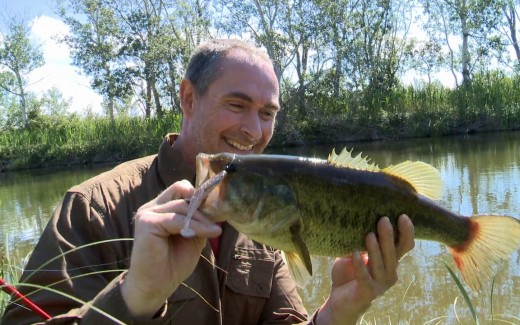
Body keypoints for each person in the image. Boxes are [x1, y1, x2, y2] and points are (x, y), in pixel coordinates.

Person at [1, 39, 415, 325]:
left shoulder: (266, 213)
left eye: (267, 113)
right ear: (187, 99)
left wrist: (341, 311)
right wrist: (135, 297)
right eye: (237, 105)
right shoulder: (93, 207)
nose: (253, 129)